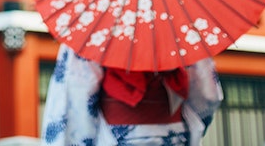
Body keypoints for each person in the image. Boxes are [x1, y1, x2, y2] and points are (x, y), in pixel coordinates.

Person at [41, 45, 222, 146]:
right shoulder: (180, 19)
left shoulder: (93, 22)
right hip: (175, 136)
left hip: (119, 137)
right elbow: (208, 95)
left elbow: (76, 97)